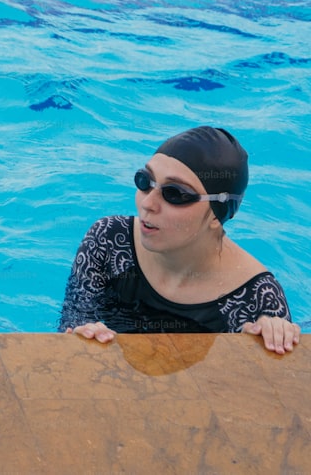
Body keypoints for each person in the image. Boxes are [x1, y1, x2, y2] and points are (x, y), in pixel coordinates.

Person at [58, 126, 300, 356]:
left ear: (217, 214)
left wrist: (267, 342)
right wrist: (80, 335)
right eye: (145, 181)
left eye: (174, 194)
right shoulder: (109, 241)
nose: (147, 204)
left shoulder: (257, 298)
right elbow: (70, 325)